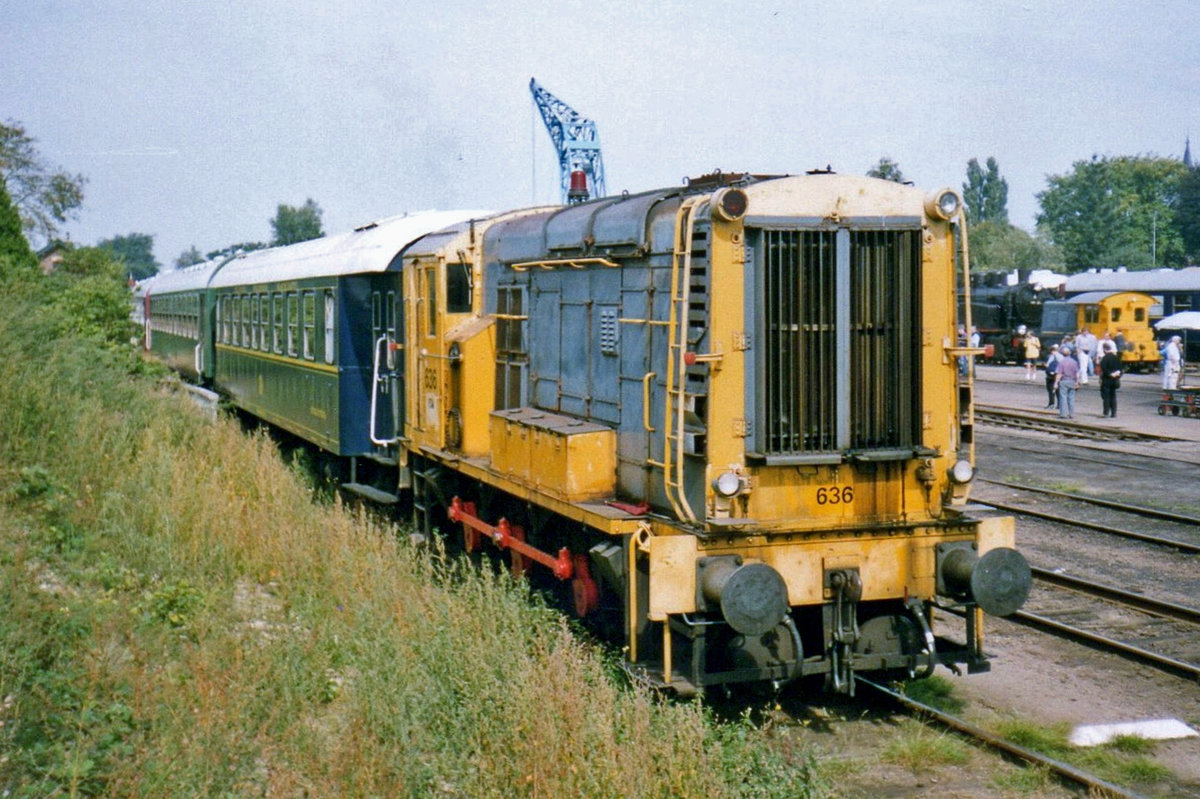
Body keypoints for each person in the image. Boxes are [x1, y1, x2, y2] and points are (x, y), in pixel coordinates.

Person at [1098, 340, 1122, 418]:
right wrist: (1117, 374)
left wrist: (1110, 374)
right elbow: (1120, 369)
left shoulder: (1104, 359)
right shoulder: (1116, 358)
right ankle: (1114, 413)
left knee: (1106, 397)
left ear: (1104, 349)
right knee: (1113, 396)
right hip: (1115, 380)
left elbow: (1104, 369)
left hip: (1106, 380)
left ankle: (1106, 413)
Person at [1055, 344, 1080, 419]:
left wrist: (1056, 383)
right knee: (1071, 398)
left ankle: (1063, 414)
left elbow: (1059, 374)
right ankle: (1071, 414)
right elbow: (1077, 373)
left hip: (1064, 381)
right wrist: (1077, 382)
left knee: (1063, 397)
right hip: (1072, 381)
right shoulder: (1074, 362)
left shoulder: (1061, 362)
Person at [1043, 343, 1062, 409]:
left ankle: (1051, 404)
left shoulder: (1049, 357)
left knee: (1051, 391)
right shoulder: (1061, 357)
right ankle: (1059, 405)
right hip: (1058, 375)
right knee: (1058, 391)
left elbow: (1046, 365)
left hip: (1050, 376)